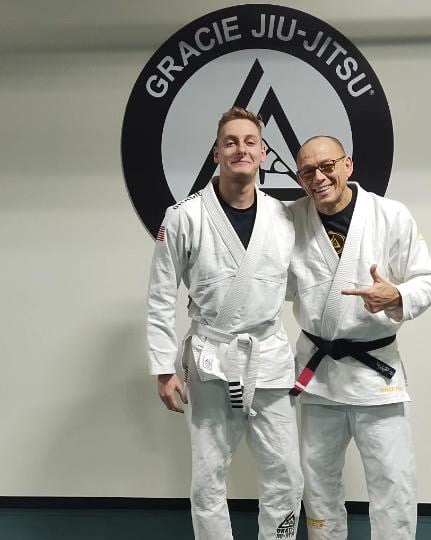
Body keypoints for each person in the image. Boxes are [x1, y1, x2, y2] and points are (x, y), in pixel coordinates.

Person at [146, 107, 303, 540]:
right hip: (210, 357)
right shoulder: (184, 215)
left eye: (250, 142)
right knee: (208, 477)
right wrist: (162, 368)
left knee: (286, 474)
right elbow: (161, 295)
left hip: (268, 355)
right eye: (230, 142)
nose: (240, 149)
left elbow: (304, 284)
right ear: (216, 152)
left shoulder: (284, 217)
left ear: (264, 152)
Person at [287, 135, 431, 540]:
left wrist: (398, 296)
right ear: (299, 178)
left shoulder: (390, 215)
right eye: (308, 171)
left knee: (393, 480)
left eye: (327, 166)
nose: (319, 177)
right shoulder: (290, 220)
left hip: (376, 376)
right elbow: (268, 282)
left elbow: (429, 280)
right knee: (317, 480)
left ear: (348, 165)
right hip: (319, 376)